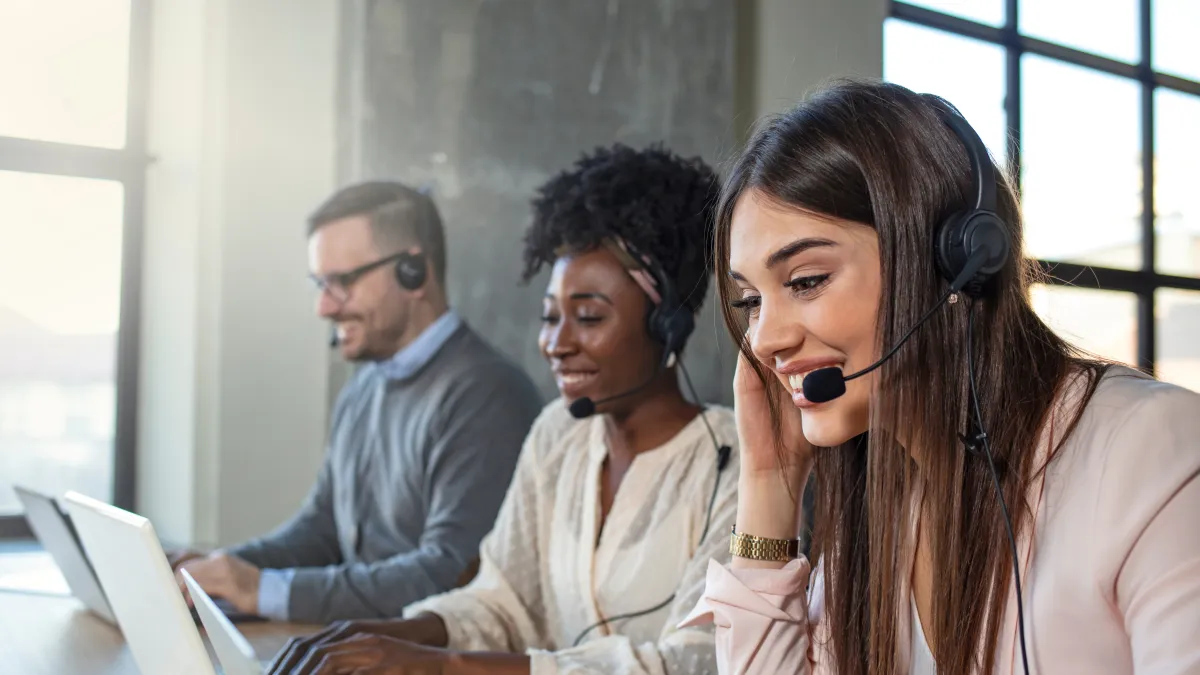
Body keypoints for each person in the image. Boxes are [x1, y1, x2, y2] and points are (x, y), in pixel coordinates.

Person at [682, 79, 1200, 673]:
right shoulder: (879, 503)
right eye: (751, 301)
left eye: (805, 282)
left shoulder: (1153, 453)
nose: (764, 340)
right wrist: (769, 485)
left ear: (954, 264)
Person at [266, 144, 740, 675]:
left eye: (587, 317)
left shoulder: (735, 465)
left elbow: (696, 662)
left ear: (667, 325)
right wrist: (375, 635)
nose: (555, 344)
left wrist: (441, 666)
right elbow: (500, 600)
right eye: (549, 316)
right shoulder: (557, 435)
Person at [171, 182, 543, 624]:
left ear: (414, 272)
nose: (323, 307)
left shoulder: (487, 394)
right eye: (319, 284)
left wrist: (259, 589)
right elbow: (322, 531)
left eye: (342, 282)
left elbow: (450, 576)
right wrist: (213, 570)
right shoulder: (363, 388)